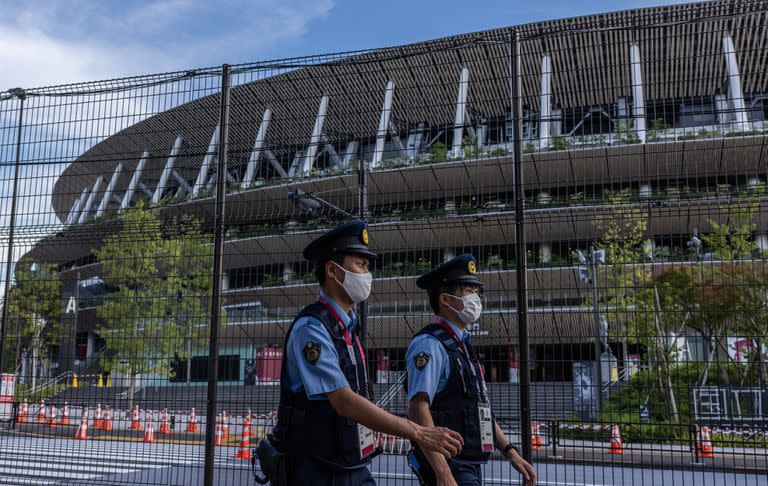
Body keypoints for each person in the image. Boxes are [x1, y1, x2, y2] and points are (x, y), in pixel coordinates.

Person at [268, 220, 464, 486]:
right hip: (316, 470)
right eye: (360, 265)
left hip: (351, 464)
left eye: (367, 266)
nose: (367, 274)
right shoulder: (311, 328)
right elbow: (344, 401)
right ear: (332, 270)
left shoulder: (347, 327)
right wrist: (419, 432)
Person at [405, 254, 536, 486]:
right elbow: (417, 408)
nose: (475, 297)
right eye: (467, 290)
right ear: (445, 299)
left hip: (468, 463)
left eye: (476, 290)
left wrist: (510, 451)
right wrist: (442, 473)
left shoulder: (462, 345)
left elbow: (478, 408)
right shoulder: (431, 344)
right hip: (450, 465)